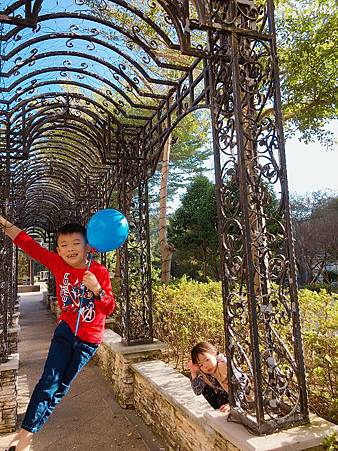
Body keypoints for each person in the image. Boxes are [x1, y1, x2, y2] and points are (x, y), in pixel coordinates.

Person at [0, 215, 115, 451]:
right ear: (58, 250)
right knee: (49, 381)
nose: (70, 249)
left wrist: (97, 289)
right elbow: (27, 243)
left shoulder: (99, 272)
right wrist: (4, 224)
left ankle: (28, 433)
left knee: (61, 387)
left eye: (76, 243)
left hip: (88, 341)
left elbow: (109, 308)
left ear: (87, 246)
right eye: (64, 245)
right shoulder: (57, 264)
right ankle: (25, 434)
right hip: (64, 332)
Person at [188, 341, 230, 412]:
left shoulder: (224, 365)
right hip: (224, 394)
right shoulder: (204, 371)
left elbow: (242, 387)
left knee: (222, 397)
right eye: (200, 365)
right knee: (206, 389)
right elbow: (198, 391)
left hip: (240, 397)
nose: (205, 366)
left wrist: (232, 404)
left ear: (214, 353)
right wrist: (193, 372)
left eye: (207, 360)